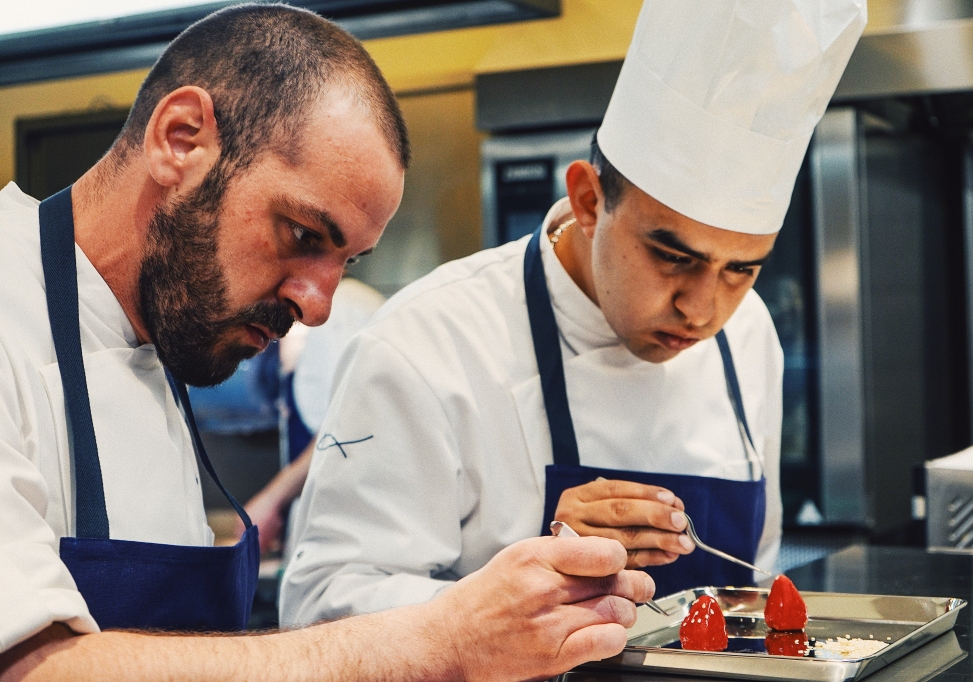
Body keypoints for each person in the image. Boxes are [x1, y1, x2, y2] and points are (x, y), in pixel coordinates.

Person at [0, 6, 653, 681]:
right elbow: (31, 669)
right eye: (303, 236)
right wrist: (440, 640)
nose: (317, 307)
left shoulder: (163, 334)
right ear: (180, 139)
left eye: (346, 262)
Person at [280, 0, 866, 625]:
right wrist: (519, 583)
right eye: (672, 257)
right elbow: (320, 612)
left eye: (741, 269)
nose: (703, 310)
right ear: (588, 199)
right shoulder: (426, 344)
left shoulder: (749, 336)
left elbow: (753, 588)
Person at [243, 277, 385, 553]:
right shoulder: (310, 330)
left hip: (352, 534)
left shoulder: (340, 308)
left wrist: (270, 500)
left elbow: (345, 426)